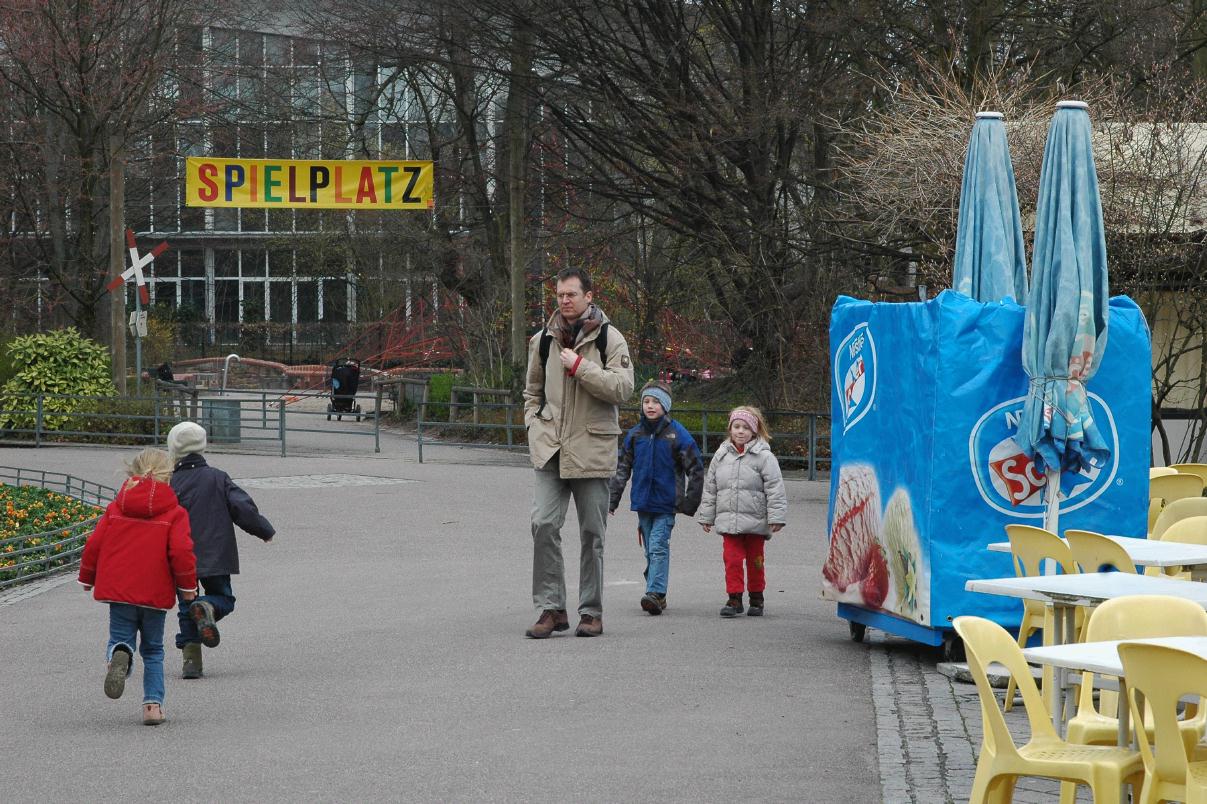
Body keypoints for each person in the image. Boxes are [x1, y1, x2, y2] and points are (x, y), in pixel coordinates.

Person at [522, 266, 635, 638]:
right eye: (560, 295)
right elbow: (531, 393)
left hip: (592, 448)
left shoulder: (610, 339)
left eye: (572, 294)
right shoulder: (542, 340)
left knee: (592, 534)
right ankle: (551, 609)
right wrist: (533, 427)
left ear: (589, 296)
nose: (565, 301)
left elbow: (623, 389)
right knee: (543, 525)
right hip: (550, 449)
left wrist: (582, 367)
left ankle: (591, 612)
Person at [78, 448, 197, 726]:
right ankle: (152, 707)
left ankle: (121, 657)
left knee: (120, 637)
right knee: (154, 650)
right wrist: (187, 587)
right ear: (168, 476)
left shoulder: (117, 507)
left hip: (119, 591)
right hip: (155, 594)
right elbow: (182, 551)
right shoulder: (175, 513)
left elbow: (95, 543)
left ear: (133, 472)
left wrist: (87, 576)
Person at [166, 421, 276, 678]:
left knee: (186, 606)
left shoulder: (170, 482)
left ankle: (191, 662)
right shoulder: (217, 477)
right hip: (216, 552)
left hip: (181, 556)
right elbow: (242, 507)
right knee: (224, 598)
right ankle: (209, 608)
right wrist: (264, 531)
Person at [608, 380, 704, 615]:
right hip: (643, 502)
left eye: (656, 402)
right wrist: (612, 499)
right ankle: (656, 593)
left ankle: (655, 592)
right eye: (647, 401)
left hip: (666, 503)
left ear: (666, 405)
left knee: (659, 546)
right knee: (650, 549)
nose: (650, 406)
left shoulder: (677, 434)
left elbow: (696, 469)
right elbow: (622, 469)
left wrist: (690, 502)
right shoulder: (635, 435)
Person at [697, 406, 788, 618]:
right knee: (732, 559)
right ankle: (734, 598)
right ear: (730, 429)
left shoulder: (764, 457)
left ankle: (756, 597)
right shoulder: (721, 456)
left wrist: (777, 517)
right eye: (736, 426)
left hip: (755, 521)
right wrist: (706, 516)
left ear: (754, 431)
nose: (740, 431)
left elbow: (775, 488)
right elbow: (711, 488)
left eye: (746, 427)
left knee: (755, 560)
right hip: (729, 521)